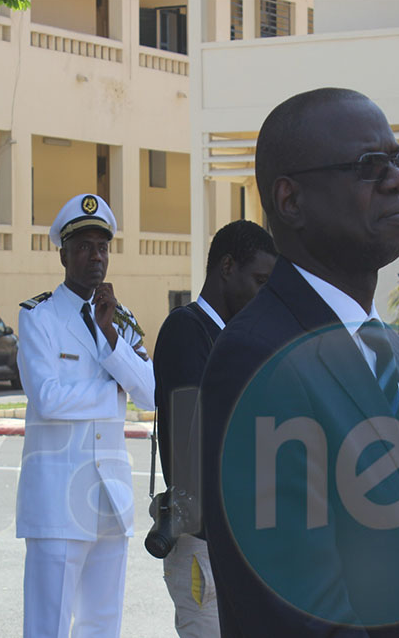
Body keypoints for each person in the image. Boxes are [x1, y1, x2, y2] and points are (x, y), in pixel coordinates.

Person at [199, 88, 399, 637]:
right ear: (290, 201)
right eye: (368, 166)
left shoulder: (398, 353)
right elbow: (297, 613)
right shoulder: (257, 359)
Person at [15, 193, 156, 638]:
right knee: (48, 626)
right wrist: (114, 389)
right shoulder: (39, 317)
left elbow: (151, 395)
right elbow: (48, 398)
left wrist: (110, 334)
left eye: (102, 247)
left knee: (102, 625)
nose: (95, 257)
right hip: (57, 497)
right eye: (84, 247)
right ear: (63, 254)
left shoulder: (120, 318)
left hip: (109, 498)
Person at [151, 219, 276, 638]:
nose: (264, 294)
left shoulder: (232, 338)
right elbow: (199, 442)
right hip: (203, 542)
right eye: (259, 280)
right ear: (226, 267)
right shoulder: (187, 331)